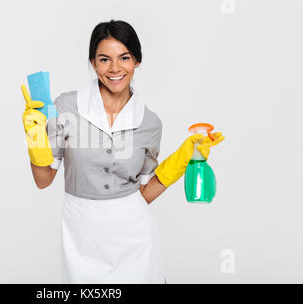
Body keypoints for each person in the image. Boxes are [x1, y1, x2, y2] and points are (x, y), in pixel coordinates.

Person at [21, 20, 224, 283]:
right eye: (104, 59)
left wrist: (182, 160)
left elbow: (144, 193)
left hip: (135, 238)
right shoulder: (67, 107)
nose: (115, 68)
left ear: (137, 61)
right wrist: (36, 144)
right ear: (93, 62)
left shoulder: (149, 123)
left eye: (124, 58)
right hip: (82, 236)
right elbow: (43, 180)